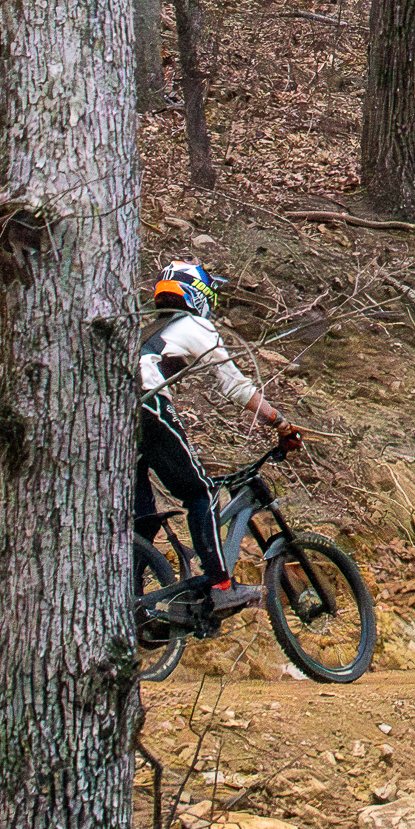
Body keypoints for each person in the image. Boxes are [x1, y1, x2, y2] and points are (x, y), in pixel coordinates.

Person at [138, 260, 287, 621]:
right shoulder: (192, 324)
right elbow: (234, 384)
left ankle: (133, 606)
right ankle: (221, 586)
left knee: (142, 519)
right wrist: (278, 421)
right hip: (146, 405)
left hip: (109, 418)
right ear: (198, 294)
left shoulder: (148, 331)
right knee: (200, 492)